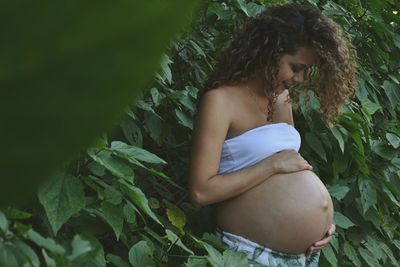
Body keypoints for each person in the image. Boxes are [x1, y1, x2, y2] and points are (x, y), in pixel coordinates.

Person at [188, 3, 357, 267]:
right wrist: (272, 165)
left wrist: (322, 223)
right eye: (295, 67)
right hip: (248, 253)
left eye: (305, 71)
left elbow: (292, 167)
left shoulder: (281, 99)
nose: (299, 79)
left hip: (306, 255)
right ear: (269, 52)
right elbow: (200, 192)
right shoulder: (220, 101)